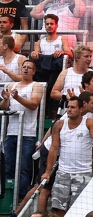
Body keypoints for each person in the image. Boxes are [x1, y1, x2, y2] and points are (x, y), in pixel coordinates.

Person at [0, 59, 41, 201]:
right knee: (8, 167)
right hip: (11, 132)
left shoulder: (36, 86)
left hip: (27, 134)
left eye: (29, 68)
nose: (26, 69)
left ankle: (20, 200)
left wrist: (17, 97)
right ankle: (7, 199)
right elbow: (4, 107)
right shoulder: (12, 85)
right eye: (24, 67)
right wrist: (6, 99)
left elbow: (34, 104)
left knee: (23, 168)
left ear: (34, 72)